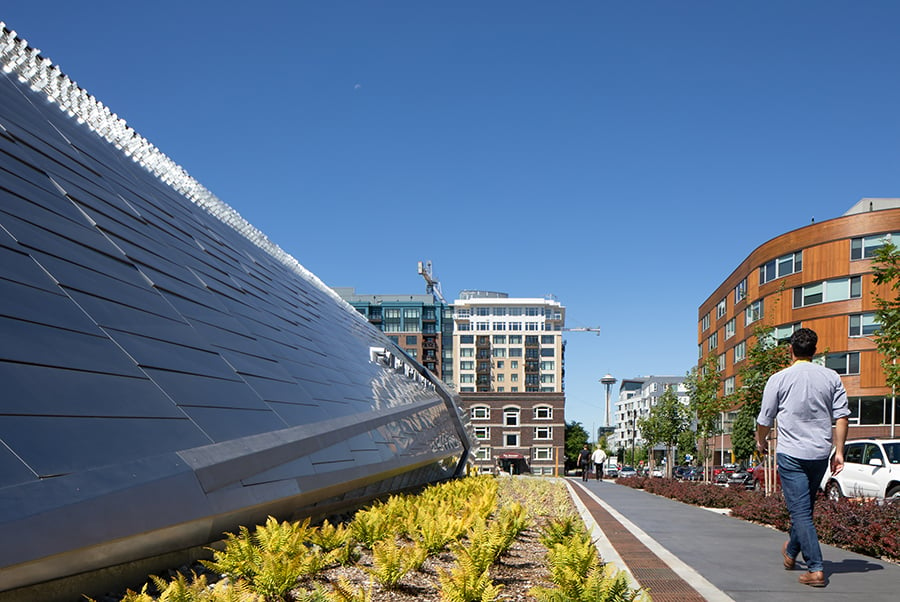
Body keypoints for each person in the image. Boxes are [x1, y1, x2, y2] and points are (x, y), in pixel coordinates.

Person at [756, 328, 849, 588]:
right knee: (804, 509)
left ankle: (816, 569)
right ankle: (790, 552)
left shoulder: (779, 378)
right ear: (815, 351)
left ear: (791, 350)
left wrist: (760, 441)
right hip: (820, 454)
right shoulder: (831, 377)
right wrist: (839, 451)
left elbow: (765, 419)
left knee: (800, 512)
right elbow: (842, 416)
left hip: (791, 454)